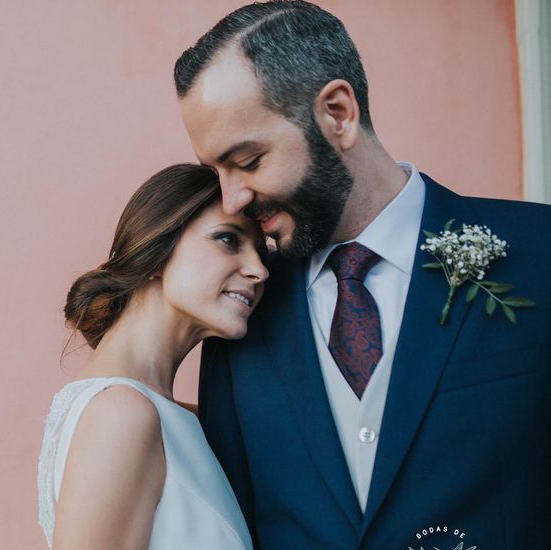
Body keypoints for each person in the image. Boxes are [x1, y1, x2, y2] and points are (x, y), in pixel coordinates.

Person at [174, 2, 551, 549]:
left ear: (338, 114)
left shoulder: (540, 249)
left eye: (249, 161)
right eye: (217, 172)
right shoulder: (242, 305)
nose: (232, 198)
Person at [37, 163, 268, 549]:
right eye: (229, 239)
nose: (259, 270)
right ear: (157, 250)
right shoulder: (121, 414)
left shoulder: (178, 419)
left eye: (262, 254)